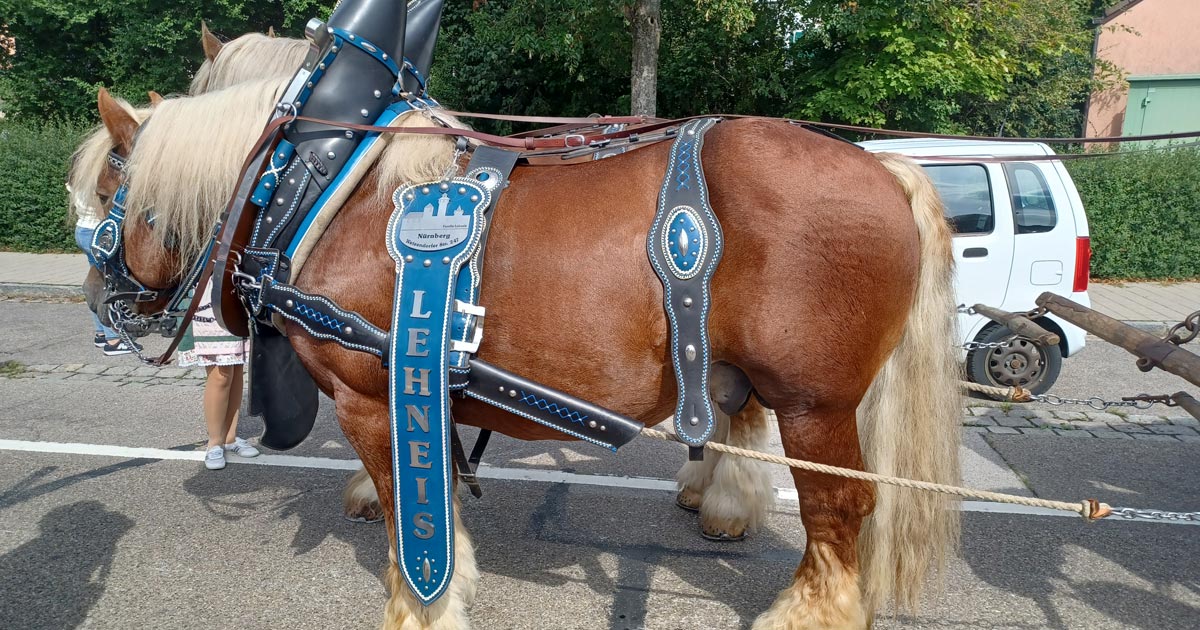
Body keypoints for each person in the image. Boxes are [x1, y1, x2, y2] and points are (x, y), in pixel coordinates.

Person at [178, 278, 260, 470]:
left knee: (237, 368)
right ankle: (214, 442)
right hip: (209, 292)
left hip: (236, 287)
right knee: (220, 374)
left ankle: (230, 437)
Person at [70, 183, 138, 356]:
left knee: (98, 281)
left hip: (82, 229)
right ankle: (113, 339)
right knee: (107, 284)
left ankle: (101, 332)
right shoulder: (97, 182)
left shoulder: (78, 180)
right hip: (98, 231)